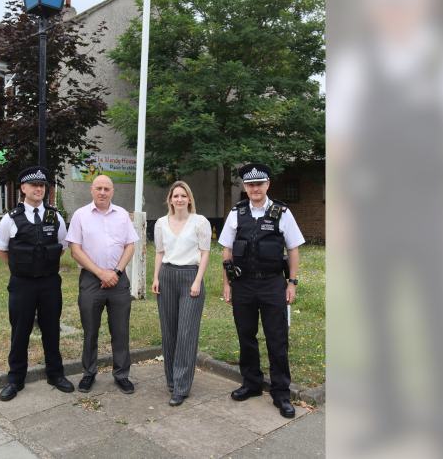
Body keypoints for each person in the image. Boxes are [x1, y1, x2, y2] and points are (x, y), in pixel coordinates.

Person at [219, 163, 305, 418]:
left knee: (277, 339)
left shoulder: (282, 212)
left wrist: (292, 282)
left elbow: (293, 249)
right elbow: (226, 249)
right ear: (245, 187)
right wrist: (226, 283)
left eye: (260, 184)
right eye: (250, 185)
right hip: (243, 284)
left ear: (267, 185)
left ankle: (281, 392)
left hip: (272, 284)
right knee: (246, 336)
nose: (255, 188)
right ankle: (252, 383)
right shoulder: (237, 212)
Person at [0, 166, 75, 401]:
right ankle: (15, 379)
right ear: (23, 188)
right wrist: (21, 268)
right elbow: (1, 249)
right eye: (34, 185)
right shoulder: (10, 218)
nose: (39, 189)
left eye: (42, 185)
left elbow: (61, 248)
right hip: (22, 284)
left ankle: (55, 374)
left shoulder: (54, 215)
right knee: (20, 332)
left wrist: (43, 268)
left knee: (51, 329)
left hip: (49, 283)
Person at [66, 175, 138, 394]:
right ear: (91, 190)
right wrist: (100, 273)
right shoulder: (80, 215)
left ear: (113, 192)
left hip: (118, 280)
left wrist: (115, 272)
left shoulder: (122, 215)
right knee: (90, 330)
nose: (103, 192)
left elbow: (130, 246)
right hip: (91, 280)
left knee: (120, 330)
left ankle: (122, 374)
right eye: (99, 188)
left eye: (107, 189)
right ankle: (89, 373)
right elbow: (75, 250)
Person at [152, 181, 212, 406]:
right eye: (175, 196)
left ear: (189, 199)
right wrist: (156, 277)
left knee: (186, 333)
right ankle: (172, 379)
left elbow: (205, 254)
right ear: (170, 199)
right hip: (167, 276)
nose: (179, 199)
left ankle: (182, 387)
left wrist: (198, 281)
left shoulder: (200, 222)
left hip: (190, 278)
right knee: (169, 331)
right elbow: (160, 253)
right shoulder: (160, 223)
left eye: (183, 196)